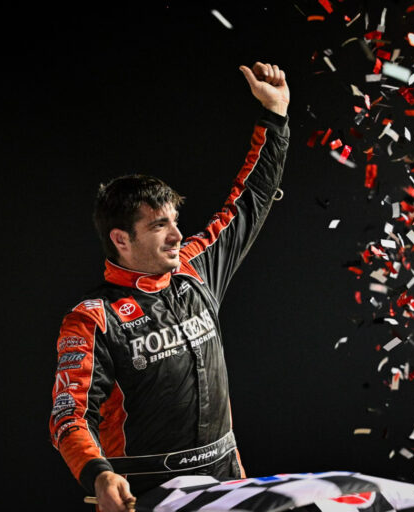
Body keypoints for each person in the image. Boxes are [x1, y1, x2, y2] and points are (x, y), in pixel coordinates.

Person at [49, 62, 290, 512]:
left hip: (226, 482)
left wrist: (275, 118)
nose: (178, 235)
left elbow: (249, 200)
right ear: (121, 239)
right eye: (160, 226)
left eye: (175, 222)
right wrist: (98, 473)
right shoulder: (91, 319)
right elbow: (69, 416)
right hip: (148, 494)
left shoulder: (195, 266)